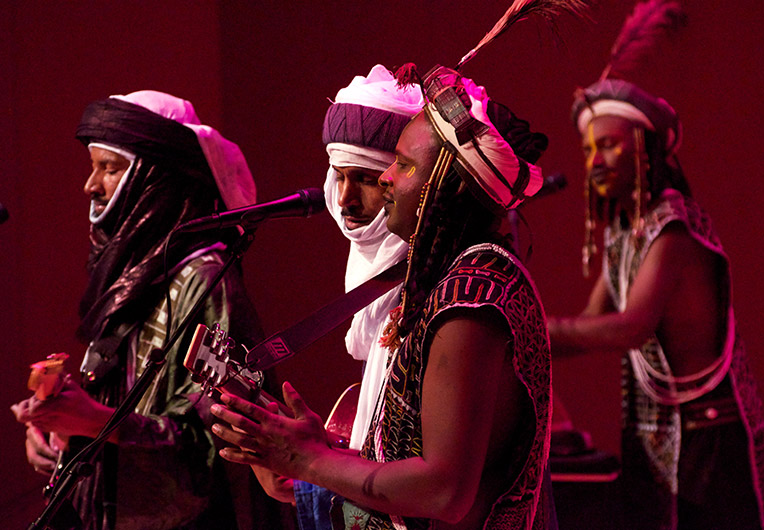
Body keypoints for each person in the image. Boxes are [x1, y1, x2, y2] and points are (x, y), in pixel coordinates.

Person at [210, 65, 556, 529]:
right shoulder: (447, 282)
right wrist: (320, 454)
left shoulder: (474, 295)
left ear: (447, 188)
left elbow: (444, 490)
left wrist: (309, 461)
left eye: (405, 165)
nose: (388, 177)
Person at [11, 90, 291, 530]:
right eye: (93, 167)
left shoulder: (203, 278)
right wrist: (60, 431)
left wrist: (98, 423)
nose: (91, 185)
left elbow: (220, 449)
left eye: (109, 168)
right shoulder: (136, 275)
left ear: (154, 180)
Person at [547, 79, 764, 529]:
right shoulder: (625, 231)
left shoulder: (674, 226)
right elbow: (593, 322)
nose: (594, 162)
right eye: (588, 150)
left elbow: (629, 327)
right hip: (654, 435)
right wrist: (516, 341)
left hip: (709, 438)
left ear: (644, 148)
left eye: (608, 146)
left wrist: (529, 326)